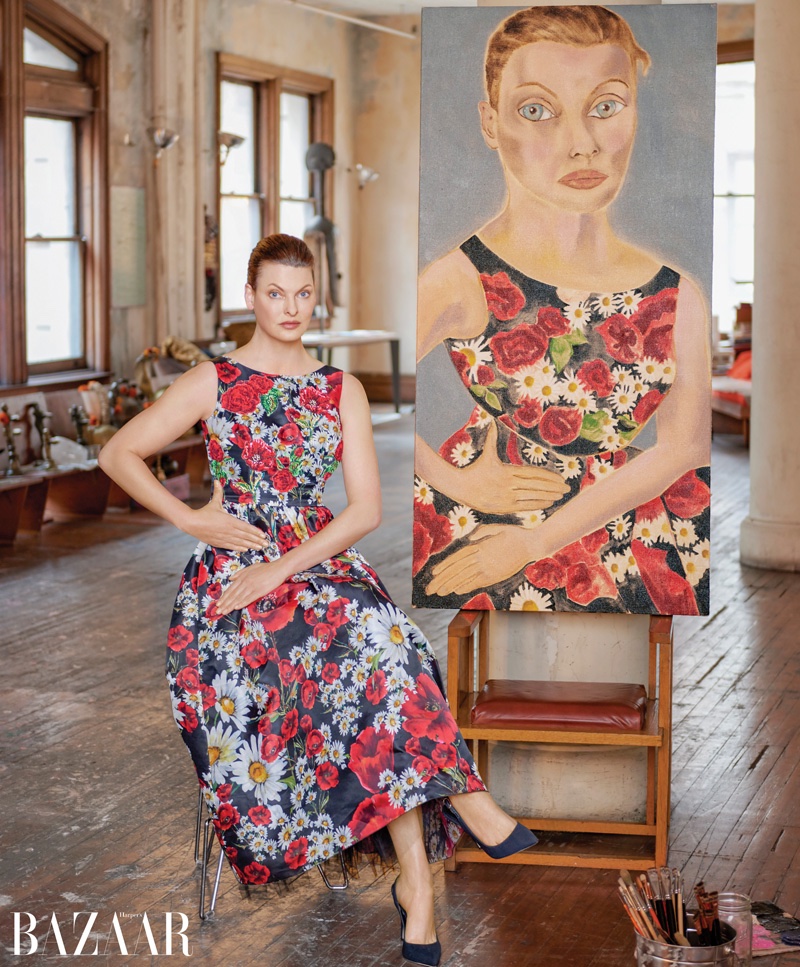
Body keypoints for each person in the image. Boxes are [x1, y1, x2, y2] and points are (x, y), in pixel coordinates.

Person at [98, 233, 536, 966]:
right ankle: (455, 819)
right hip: (233, 593)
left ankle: (421, 881)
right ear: (251, 296)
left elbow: (363, 509)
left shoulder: (342, 389)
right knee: (371, 652)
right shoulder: (214, 380)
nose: (291, 307)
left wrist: (288, 567)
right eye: (276, 292)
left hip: (317, 568)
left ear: (317, 295)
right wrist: (191, 517)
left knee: (384, 649)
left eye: (304, 293)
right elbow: (118, 453)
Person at [413, 5, 711, 616]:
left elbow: (684, 449)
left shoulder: (679, 294)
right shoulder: (457, 279)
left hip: (633, 533)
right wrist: (458, 482)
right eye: (537, 111)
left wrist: (537, 541)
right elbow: (344, 401)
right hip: (483, 534)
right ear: (491, 123)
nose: (583, 143)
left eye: (605, 106)